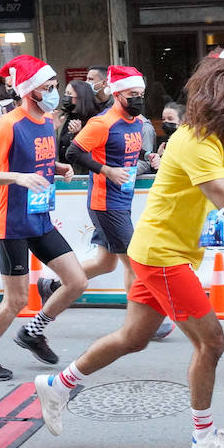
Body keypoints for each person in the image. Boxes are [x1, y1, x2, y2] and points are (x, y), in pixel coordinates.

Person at [33, 38, 224, 448]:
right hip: (162, 256)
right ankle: (203, 436)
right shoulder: (195, 142)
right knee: (212, 342)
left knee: (133, 338)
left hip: (161, 252)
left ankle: (58, 385)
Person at [0, 54, 87, 379]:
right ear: (30, 90)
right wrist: (16, 177)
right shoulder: (7, 124)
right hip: (13, 223)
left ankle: (32, 332)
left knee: (76, 281)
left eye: (55, 86)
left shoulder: (47, 121)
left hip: (40, 216)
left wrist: (58, 167)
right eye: (48, 87)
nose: (55, 92)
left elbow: (39, 161)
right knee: (16, 299)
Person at [61, 65, 148, 302]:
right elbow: (73, 153)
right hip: (106, 202)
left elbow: (129, 153)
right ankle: (140, 319)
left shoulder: (137, 123)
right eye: (133, 95)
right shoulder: (102, 123)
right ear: (117, 94)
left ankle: (54, 287)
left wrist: (148, 156)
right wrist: (107, 171)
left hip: (123, 198)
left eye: (141, 94)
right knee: (134, 262)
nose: (138, 100)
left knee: (105, 263)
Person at [56, 79, 95, 172]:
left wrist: (77, 134)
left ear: (81, 97)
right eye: (65, 93)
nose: (66, 97)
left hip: (80, 174)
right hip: (60, 172)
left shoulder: (93, 120)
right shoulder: (61, 116)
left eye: (69, 94)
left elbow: (91, 153)